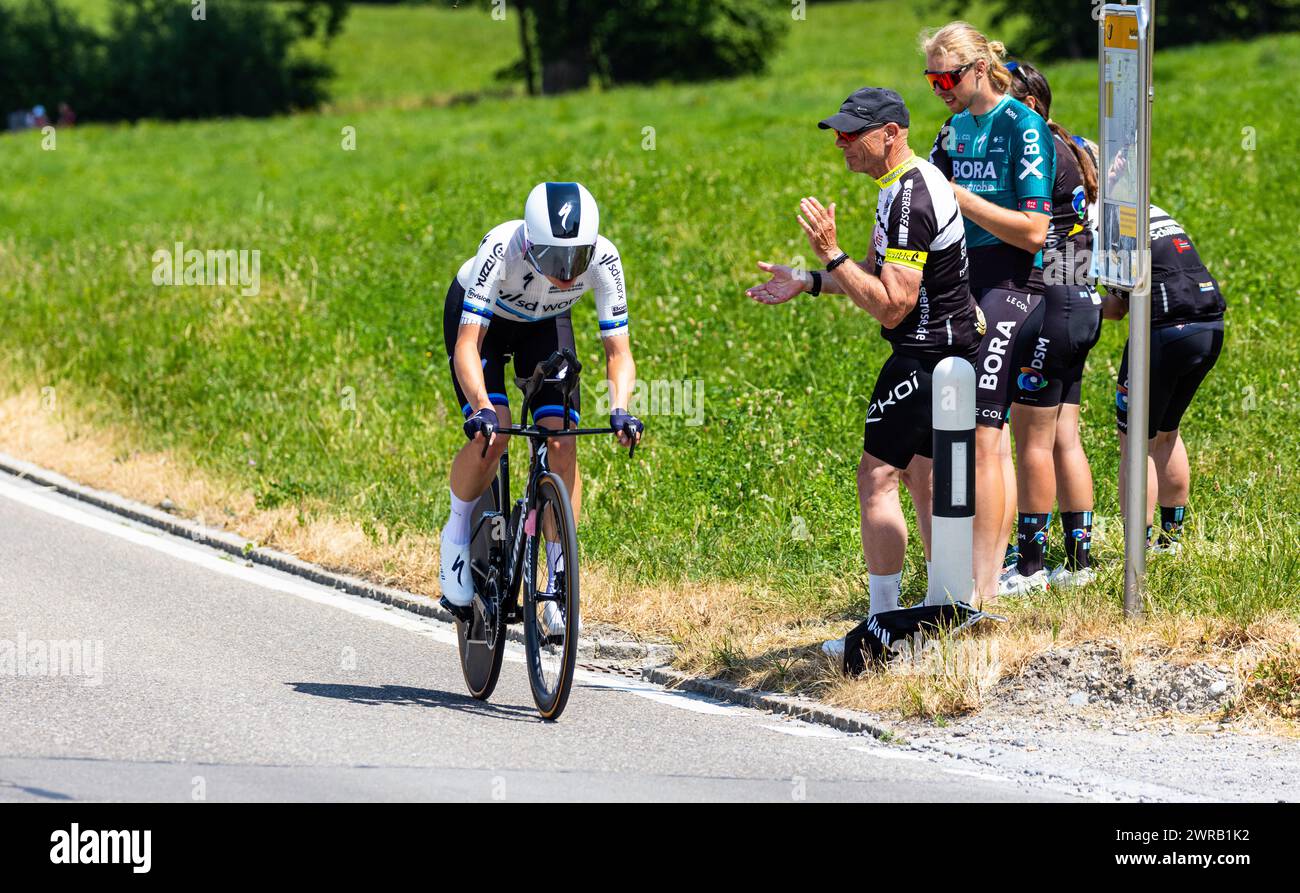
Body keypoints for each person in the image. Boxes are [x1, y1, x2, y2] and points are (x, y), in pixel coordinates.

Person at [746, 87, 984, 653]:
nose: (841, 143)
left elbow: (893, 304)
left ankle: (883, 627)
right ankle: (938, 613)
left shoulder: (908, 198)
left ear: (891, 134)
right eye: (838, 132)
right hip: (948, 354)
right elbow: (874, 279)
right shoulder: (902, 187)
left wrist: (831, 253)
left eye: (853, 133)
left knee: (876, 477)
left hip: (925, 356)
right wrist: (809, 280)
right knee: (923, 478)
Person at [439, 182, 643, 633]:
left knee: (561, 439)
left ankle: (558, 575)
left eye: (577, 260)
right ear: (529, 244)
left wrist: (621, 408)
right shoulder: (500, 248)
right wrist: (481, 409)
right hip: (485, 326)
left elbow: (618, 352)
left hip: (545, 324)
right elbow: (467, 347)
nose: (567, 273)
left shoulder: (605, 257)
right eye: (554, 260)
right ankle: (455, 532)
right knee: (495, 434)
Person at [922, 22, 1056, 604]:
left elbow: (1033, 233)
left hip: (1013, 282)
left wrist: (963, 198)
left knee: (984, 434)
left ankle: (982, 591)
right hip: (965, 279)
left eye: (948, 75)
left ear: (980, 68)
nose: (940, 87)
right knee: (967, 435)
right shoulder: (952, 129)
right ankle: (974, 582)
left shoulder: (1021, 125)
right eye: (931, 79)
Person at [1001, 60, 1104, 591]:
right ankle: (1080, 564)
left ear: (1031, 108)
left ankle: (1031, 566)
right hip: (1082, 299)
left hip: (1054, 304)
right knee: (1065, 435)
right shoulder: (1069, 146)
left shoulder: (1035, 150)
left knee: (1033, 441)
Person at [1103, 207, 1226, 553]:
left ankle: (1136, 554)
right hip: (1210, 325)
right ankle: (1171, 541)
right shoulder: (1147, 209)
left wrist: (1076, 304)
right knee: (1167, 432)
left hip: (1164, 332)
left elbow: (1114, 309)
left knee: (1135, 442)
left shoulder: (1108, 222)